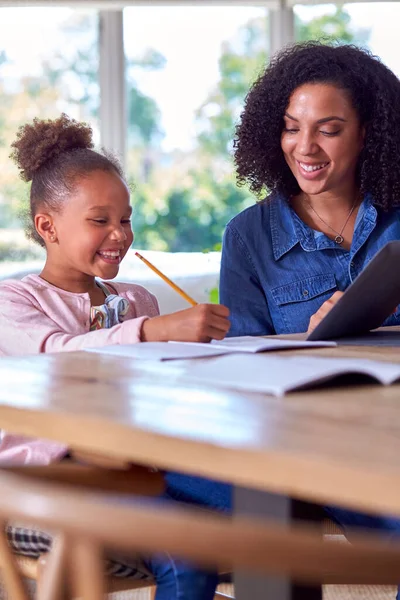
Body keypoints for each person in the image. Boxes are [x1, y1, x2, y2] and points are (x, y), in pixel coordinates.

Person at [0, 114, 231, 600]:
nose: (120, 234)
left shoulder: (136, 299)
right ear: (48, 226)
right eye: (99, 221)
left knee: (265, 505)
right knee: (188, 552)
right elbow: (60, 356)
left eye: (125, 219)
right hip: (47, 482)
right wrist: (153, 330)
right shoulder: (14, 302)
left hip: (138, 468)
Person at [218, 41, 400, 597]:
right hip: (315, 444)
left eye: (329, 128)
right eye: (292, 127)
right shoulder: (248, 237)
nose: (306, 147)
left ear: (367, 132)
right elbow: (245, 372)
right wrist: (316, 341)